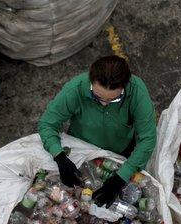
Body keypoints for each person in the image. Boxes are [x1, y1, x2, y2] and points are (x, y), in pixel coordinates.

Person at [38, 55, 156, 207]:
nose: (104, 103)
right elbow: (47, 123)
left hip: (120, 150)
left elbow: (148, 139)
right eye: (97, 96)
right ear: (91, 81)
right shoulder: (75, 89)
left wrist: (121, 177)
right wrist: (59, 156)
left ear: (125, 87)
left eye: (113, 100)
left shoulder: (137, 92)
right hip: (80, 148)